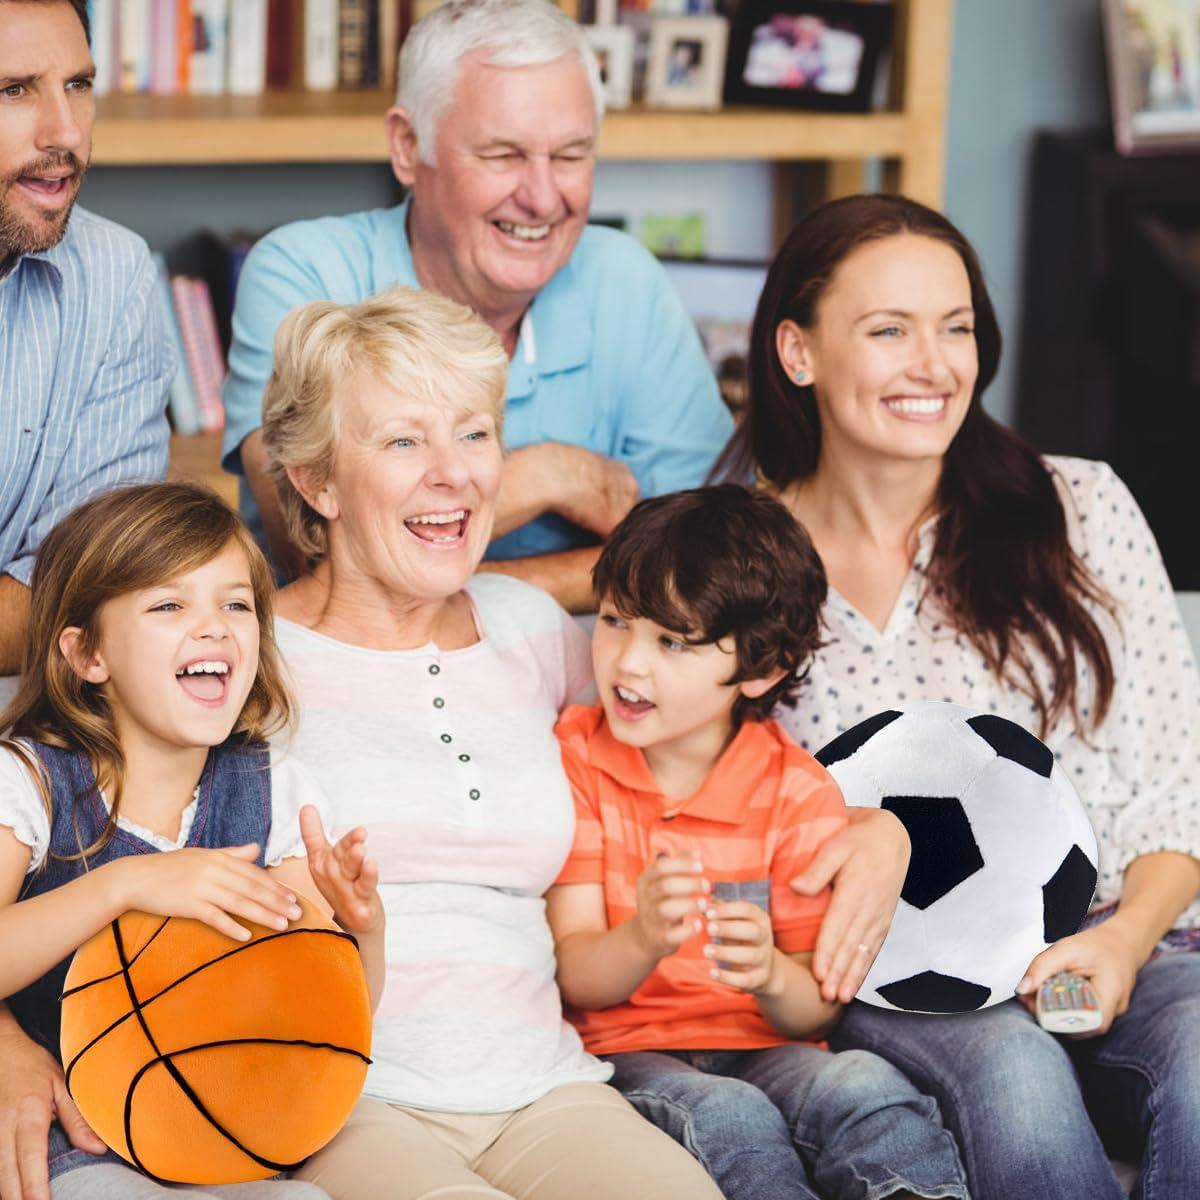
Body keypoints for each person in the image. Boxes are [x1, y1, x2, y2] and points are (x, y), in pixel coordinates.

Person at [718, 191, 1200, 1200]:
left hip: (1117, 938)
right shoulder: (736, 565)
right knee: (1019, 1083)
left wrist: (1118, 942)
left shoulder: (1081, 507)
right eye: (888, 330)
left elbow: (1176, 780)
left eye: (956, 328)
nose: (932, 365)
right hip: (906, 983)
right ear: (797, 352)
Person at [251, 286, 726, 1200]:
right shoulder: (250, 654)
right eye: (402, 441)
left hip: (542, 1089)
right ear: (315, 481)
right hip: (348, 1097)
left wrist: (868, 829)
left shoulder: (531, 627)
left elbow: (691, 766)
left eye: (473, 433)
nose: (454, 473)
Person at [221, 0, 732, 611]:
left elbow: (713, 551)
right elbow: (316, 554)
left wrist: (454, 593)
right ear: (409, 147)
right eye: (502, 155)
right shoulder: (304, 272)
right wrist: (547, 476)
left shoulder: (624, 278)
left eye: (570, 155)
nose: (543, 198)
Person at [547, 485, 968, 1200]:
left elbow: (818, 1006)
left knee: (866, 1084)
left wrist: (772, 974)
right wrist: (644, 936)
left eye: (672, 641)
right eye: (615, 620)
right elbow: (577, 973)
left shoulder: (795, 792)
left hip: (767, 1047)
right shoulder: (576, 759)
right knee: (729, 1115)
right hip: (627, 1056)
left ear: (762, 669)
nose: (628, 662)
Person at [0, 482, 385, 1200]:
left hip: (227, 1126)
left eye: (235, 604)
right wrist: (125, 884)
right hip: (75, 1136)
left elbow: (325, 1021)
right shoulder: (29, 780)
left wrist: (367, 934)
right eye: (169, 605)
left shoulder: (278, 791)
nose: (213, 628)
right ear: (87, 655)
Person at [0, 0, 172, 675]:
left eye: (79, 84)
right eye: (12, 90)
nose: (65, 132)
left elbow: (94, 585)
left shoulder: (115, 274)